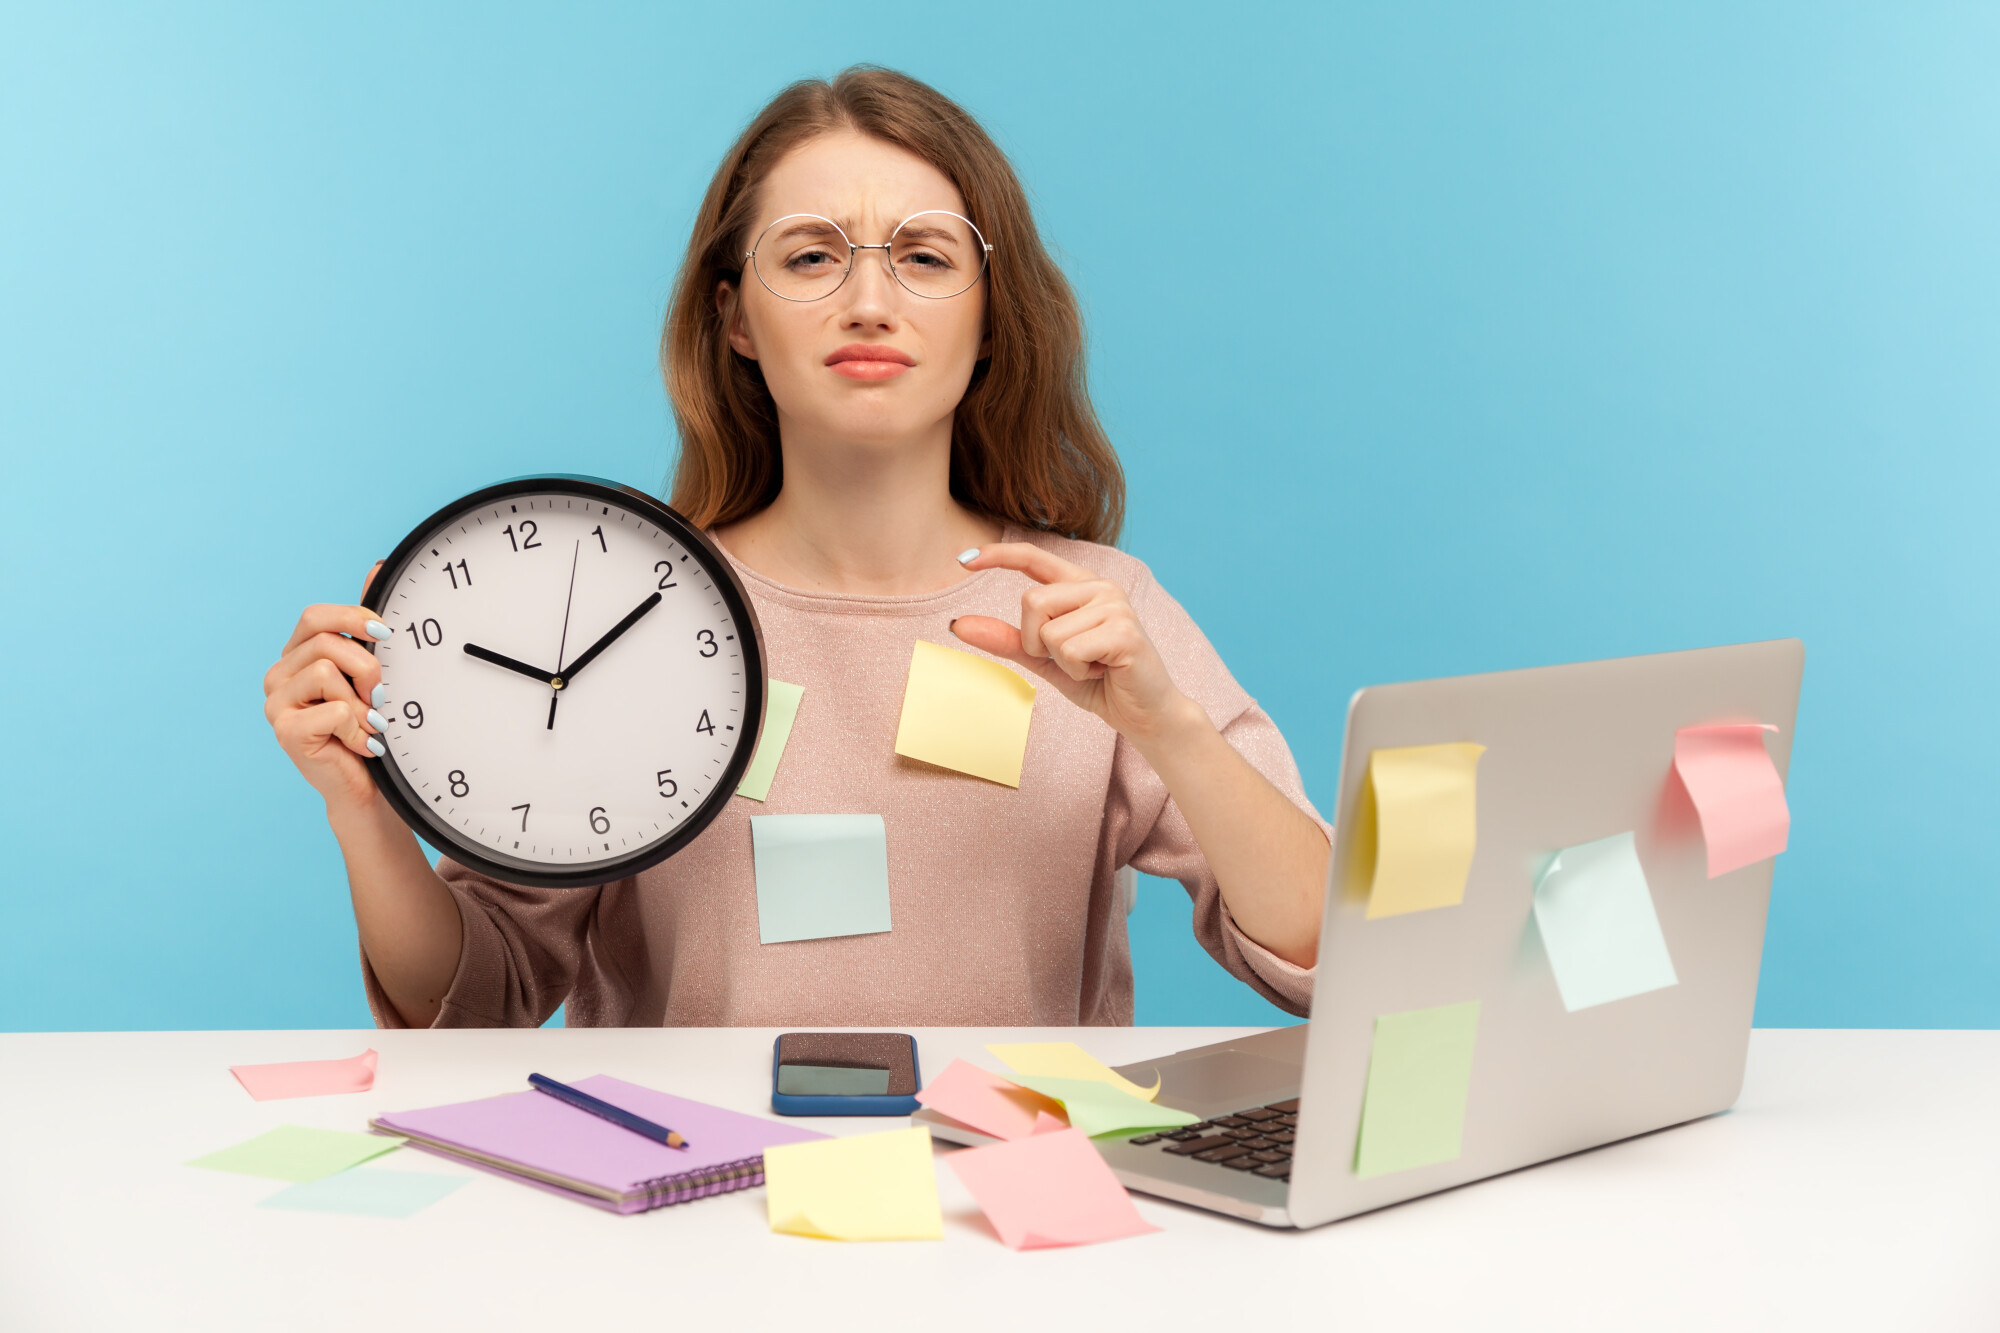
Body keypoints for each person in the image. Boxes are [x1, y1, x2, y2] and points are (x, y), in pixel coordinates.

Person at [263, 66, 1331, 1030]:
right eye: (812, 256)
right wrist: (363, 806)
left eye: (921, 256)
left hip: (1000, 1216)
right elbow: (475, 1002)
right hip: (695, 1207)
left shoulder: (1095, 609)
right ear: (733, 317)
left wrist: (1168, 727)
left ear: (991, 316)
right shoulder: (622, 613)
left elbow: (1322, 953)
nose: (868, 303)